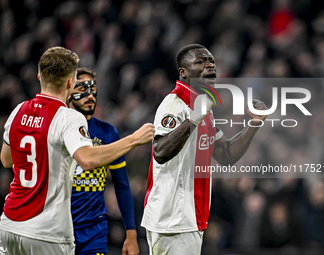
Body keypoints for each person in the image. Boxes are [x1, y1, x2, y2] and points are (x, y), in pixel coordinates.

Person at [0, 46, 155, 255]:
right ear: (70, 83)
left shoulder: (19, 110)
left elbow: (6, 159)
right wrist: (134, 139)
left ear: (39, 76)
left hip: (10, 225)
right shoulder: (68, 118)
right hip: (46, 232)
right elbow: (88, 159)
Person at [141, 44, 267, 255]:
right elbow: (160, 152)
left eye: (212, 62)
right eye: (200, 62)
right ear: (183, 72)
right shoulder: (174, 104)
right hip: (172, 219)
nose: (210, 65)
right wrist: (193, 118)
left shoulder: (204, 108)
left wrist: (254, 124)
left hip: (190, 218)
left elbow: (226, 155)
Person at [68, 67, 139, 255]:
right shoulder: (57, 128)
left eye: (93, 89)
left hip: (94, 230)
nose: (90, 95)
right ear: (68, 92)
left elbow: (122, 184)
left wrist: (131, 233)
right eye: (82, 89)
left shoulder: (107, 133)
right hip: (60, 227)